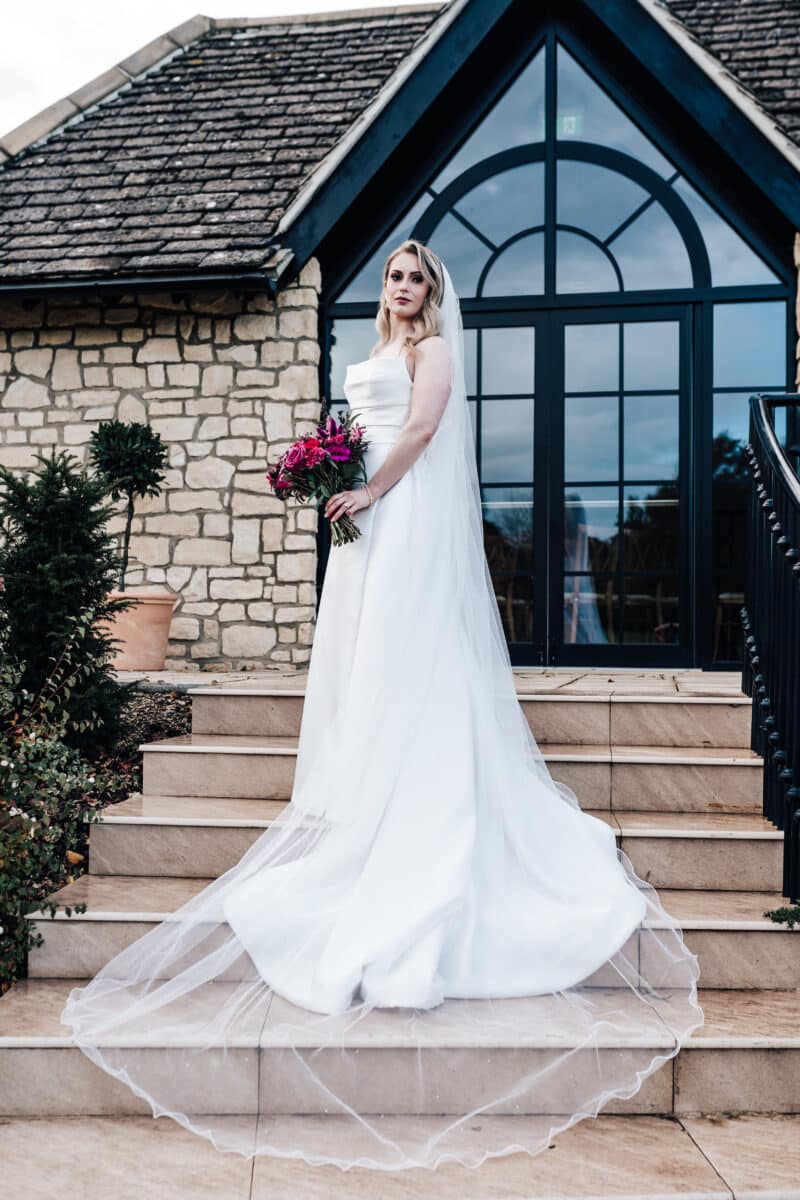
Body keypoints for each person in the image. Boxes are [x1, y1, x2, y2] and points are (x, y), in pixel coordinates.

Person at [61, 240, 703, 1172]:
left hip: (401, 524)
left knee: (410, 664)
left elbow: (418, 437)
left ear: (433, 294)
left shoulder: (433, 354)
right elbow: (360, 432)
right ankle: (363, 796)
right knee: (361, 670)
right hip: (364, 531)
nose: (404, 290)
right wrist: (323, 475)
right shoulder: (367, 356)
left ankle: (423, 810)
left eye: (417, 280)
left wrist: (365, 485)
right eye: (397, 278)